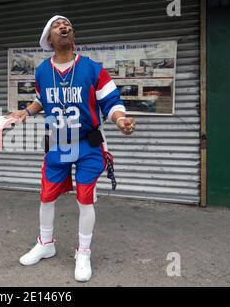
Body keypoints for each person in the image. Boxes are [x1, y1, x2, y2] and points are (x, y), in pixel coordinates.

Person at [9, 15, 136, 282]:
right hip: (57, 143)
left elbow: (111, 101)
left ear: (72, 36)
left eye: (67, 26)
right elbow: (40, 100)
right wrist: (24, 113)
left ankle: (84, 252)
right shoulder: (43, 71)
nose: (64, 28)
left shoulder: (92, 69)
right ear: (49, 39)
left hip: (89, 144)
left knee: (85, 199)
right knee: (46, 196)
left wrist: (120, 119)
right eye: (57, 26)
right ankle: (46, 244)